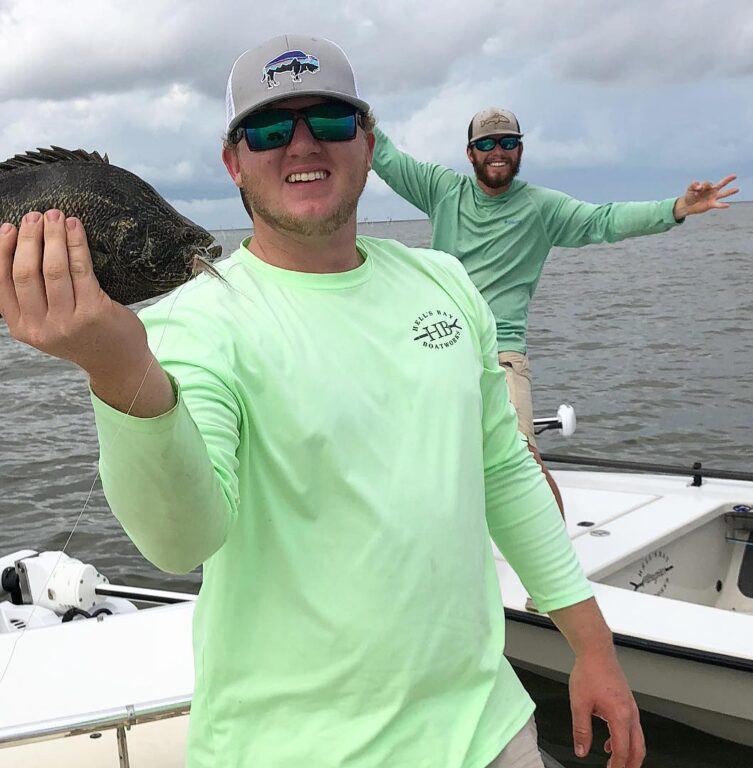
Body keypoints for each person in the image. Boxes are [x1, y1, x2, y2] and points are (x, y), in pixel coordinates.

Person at [0, 35, 645, 768]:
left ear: (368, 143)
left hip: (490, 731)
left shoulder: (445, 283)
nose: (302, 144)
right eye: (271, 129)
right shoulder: (190, 325)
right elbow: (181, 542)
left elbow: (504, 473)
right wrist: (117, 371)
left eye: (330, 122)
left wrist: (594, 649)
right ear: (233, 161)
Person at [372, 110, 738, 512]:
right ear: (470, 153)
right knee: (418, 462)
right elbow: (385, 156)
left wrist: (678, 208)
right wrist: (351, 109)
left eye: (508, 143)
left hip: (501, 356)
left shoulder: (541, 208)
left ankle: (556, 568)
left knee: (524, 465)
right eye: (487, 144)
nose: (498, 152)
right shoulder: (442, 191)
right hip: (439, 349)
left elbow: (605, 220)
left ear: (521, 150)